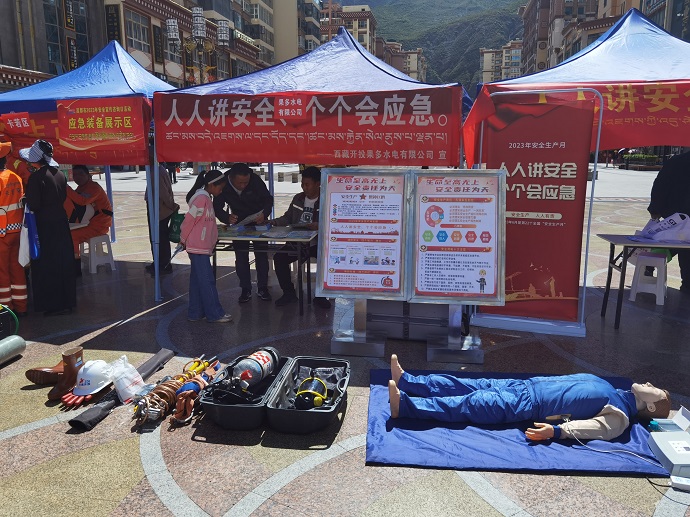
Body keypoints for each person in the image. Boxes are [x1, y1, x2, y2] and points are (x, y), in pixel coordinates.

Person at [387, 354, 671, 442]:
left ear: (650, 405)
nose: (648, 383)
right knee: (467, 384)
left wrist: (557, 431)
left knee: (469, 404)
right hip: (527, 385)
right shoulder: (615, 390)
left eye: (654, 389)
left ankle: (406, 406)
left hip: (528, 404)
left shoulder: (620, 417)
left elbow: (595, 429)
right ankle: (409, 381)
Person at [21, 139, 76, 316]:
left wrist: (25, 200)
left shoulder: (36, 178)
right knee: (63, 261)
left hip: (44, 225)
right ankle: (67, 301)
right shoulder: (59, 174)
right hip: (61, 222)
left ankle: (52, 305)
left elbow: (34, 204)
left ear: (35, 159)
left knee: (47, 264)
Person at [269, 166, 331, 309]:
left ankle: (320, 296)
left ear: (318, 184)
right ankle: (289, 293)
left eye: (307, 184)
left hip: (317, 243)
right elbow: (288, 217)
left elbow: (333, 221)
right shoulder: (298, 198)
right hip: (297, 243)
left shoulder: (326, 199)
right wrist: (274, 222)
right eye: (302, 184)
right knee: (279, 258)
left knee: (325, 260)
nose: (304, 187)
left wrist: (319, 225)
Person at [213, 163, 273, 303]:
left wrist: (264, 214)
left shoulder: (255, 179)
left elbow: (268, 199)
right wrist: (226, 217)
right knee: (241, 257)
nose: (243, 186)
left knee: (261, 255)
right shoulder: (224, 183)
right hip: (238, 224)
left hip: (258, 221)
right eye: (239, 183)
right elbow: (217, 207)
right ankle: (245, 289)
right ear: (231, 178)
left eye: (246, 182)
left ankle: (262, 287)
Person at [180, 170, 232, 323]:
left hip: (200, 246)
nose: (221, 191)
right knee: (207, 281)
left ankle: (195, 313)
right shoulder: (201, 199)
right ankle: (215, 313)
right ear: (211, 185)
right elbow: (189, 220)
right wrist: (182, 239)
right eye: (220, 188)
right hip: (198, 247)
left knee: (197, 281)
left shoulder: (205, 198)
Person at [647, 150, 690, 293]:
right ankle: (687, 285)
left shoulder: (676, 161)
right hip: (678, 215)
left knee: (673, 242)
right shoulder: (677, 161)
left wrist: (655, 210)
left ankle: (650, 263)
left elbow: (660, 185)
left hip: (675, 216)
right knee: (683, 249)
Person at [63, 165, 113, 276]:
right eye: (75, 175)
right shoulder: (80, 188)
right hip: (88, 223)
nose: (77, 177)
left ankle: (75, 267)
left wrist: (66, 188)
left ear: (88, 175)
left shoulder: (94, 187)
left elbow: (82, 201)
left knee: (72, 236)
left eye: (81, 174)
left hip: (99, 225)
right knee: (65, 233)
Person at [0, 142, 28, 317]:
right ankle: (21, 306)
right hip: (16, 231)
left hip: (1, 232)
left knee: (2, 271)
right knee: (17, 268)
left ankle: (5, 309)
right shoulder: (15, 177)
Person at [145, 148, 179, 276]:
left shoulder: (157, 172)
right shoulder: (157, 170)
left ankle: (163, 264)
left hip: (159, 211)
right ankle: (159, 262)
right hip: (158, 209)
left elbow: (163, 193)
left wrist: (172, 206)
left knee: (159, 239)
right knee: (158, 238)